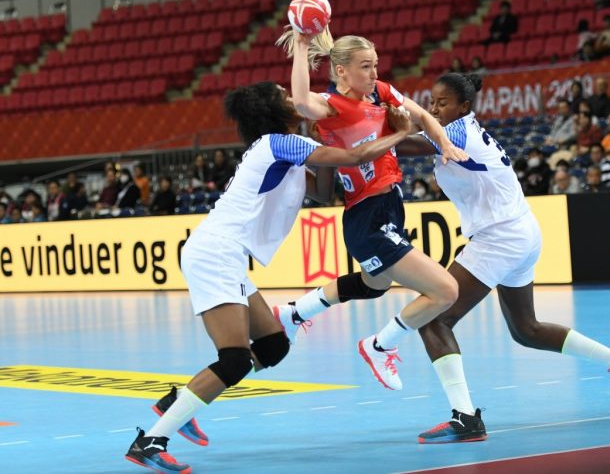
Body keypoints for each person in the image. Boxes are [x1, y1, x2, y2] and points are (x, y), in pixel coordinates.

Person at [286, 73, 610, 444]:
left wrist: (352, 118)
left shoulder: (456, 132)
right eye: (431, 101)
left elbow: (395, 145)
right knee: (527, 329)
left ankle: (460, 413)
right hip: (521, 232)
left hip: (501, 238)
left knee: (435, 320)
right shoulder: (460, 128)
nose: (433, 109)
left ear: (463, 107)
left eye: (442, 103)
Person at [124, 81, 413, 472]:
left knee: (274, 344)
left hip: (228, 256)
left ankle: (179, 401)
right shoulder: (277, 143)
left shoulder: (290, 147)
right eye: (284, 94)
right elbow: (356, 154)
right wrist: (402, 132)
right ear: (274, 111)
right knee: (234, 360)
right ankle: (151, 441)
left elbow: (324, 194)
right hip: (216, 253)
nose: (294, 97)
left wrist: (319, 135)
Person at [275, 28, 467, 391]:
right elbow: (300, 101)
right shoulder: (331, 107)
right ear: (342, 71)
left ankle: (294, 313)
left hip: (389, 207)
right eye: (366, 67)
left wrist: (443, 143)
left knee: (373, 284)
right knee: (446, 291)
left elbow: (424, 116)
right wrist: (300, 45)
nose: (374, 73)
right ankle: (380, 345)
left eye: (376, 65)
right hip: (368, 215)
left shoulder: (380, 92)